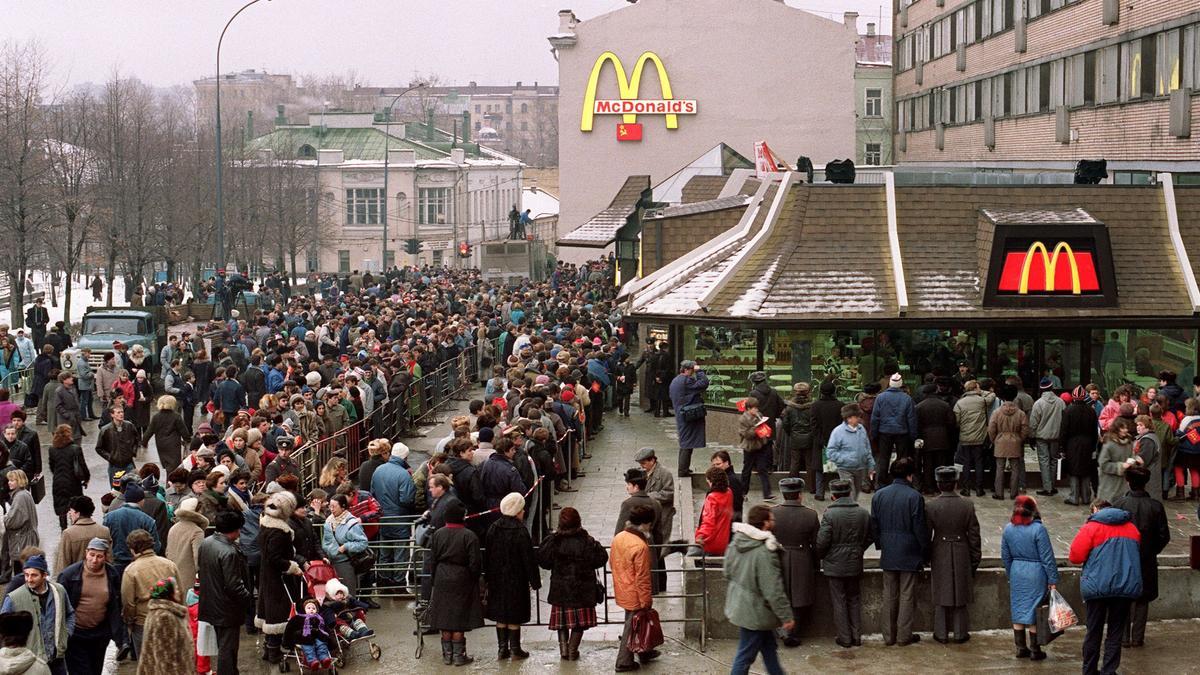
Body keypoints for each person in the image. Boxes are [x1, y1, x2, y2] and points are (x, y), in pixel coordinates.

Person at [1069, 500, 1143, 675]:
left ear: (1095, 510)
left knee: (1093, 631)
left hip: (1097, 588)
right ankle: (1109, 671)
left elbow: (1075, 556)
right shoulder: (1132, 529)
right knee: (1115, 633)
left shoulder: (1091, 527)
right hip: (1124, 588)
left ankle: (1089, 670)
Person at [725, 504, 794, 675]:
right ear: (765, 523)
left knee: (769, 649)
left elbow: (727, 571)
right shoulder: (765, 551)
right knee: (745, 656)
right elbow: (773, 589)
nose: (774, 521)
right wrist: (786, 616)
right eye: (772, 519)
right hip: (756, 612)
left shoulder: (736, 542)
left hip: (742, 606)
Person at [869, 458, 928, 647]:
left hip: (888, 550)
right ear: (910, 475)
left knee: (889, 594)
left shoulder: (879, 495)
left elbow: (874, 525)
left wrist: (881, 544)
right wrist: (924, 552)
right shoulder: (914, 497)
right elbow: (920, 529)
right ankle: (904, 635)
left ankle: (888, 636)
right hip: (909, 551)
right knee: (907, 594)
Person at [537, 507, 608, 661]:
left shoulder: (554, 540)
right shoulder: (586, 540)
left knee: (562, 622)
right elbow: (601, 558)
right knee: (579, 624)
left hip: (560, 589)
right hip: (582, 590)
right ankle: (572, 650)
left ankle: (564, 649)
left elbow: (543, 561)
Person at [1111, 465, 1169, 648]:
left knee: (1124, 598)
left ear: (1128, 482)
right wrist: (1151, 550)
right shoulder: (1155, 506)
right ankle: (1137, 637)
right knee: (1143, 600)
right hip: (1146, 559)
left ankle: (1124, 637)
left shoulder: (1119, 504)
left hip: (1123, 559)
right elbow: (1164, 536)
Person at [925, 466, 982, 643]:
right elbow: (974, 536)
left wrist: (926, 557)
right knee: (961, 593)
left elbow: (926, 534)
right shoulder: (967, 505)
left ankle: (941, 633)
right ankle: (960, 633)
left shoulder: (930, 506)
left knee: (941, 594)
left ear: (938, 483)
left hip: (939, 549)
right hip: (961, 550)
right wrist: (975, 559)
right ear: (956, 483)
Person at [425, 500, 484, 666]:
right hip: (462, 578)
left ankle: (447, 655)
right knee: (459, 619)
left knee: (445, 618)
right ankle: (459, 656)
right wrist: (474, 579)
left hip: (442, 578)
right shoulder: (469, 536)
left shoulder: (438, 534)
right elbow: (475, 564)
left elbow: (433, 560)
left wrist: (435, 578)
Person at [815, 479, 873, 648]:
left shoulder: (829, 515)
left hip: (835, 565)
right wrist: (859, 549)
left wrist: (823, 556)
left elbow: (822, 542)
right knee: (854, 599)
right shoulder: (862, 513)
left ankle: (845, 637)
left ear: (833, 496)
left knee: (839, 601)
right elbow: (871, 536)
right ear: (849, 493)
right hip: (855, 562)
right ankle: (856, 637)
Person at [483, 493, 540, 660]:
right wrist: (534, 581)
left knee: (501, 614)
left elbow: (487, 555)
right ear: (517, 511)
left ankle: (502, 649)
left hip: (497, 579)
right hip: (517, 579)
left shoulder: (494, 528)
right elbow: (528, 558)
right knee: (514, 613)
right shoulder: (521, 531)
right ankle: (515, 648)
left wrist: (487, 577)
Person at [1000, 495, 1057, 660]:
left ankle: (1020, 648)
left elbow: (1006, 556)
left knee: (1018, 609)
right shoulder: (1039, 529)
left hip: (1017, 572)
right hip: (1036, 573)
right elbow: (1047, 558)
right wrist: (1053, 580)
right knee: (1034, 612)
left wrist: (1011, 573)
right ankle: (1035, 650)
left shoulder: (1008, 529)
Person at [197, 510, 253, 675]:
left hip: (211, 603)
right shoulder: (229, 551)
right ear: (234, 530)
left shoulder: (206, 543)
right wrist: (247, 600)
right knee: (227, 650)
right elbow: (234, 585)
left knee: (224, 647)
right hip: (226, 609)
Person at [0, 554, 72, 675]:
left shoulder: (59, 591)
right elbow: (3, 627)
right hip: (30, 663)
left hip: (57, 660)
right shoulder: (13, 598)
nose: (29, 579)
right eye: (26, 575)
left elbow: (70, 614)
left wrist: (65, 635)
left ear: (45, 575)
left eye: (34, 575)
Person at [57, 538, 120, 675]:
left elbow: (115, 604)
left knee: (95, 670)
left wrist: (113, 631)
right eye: (92, 555)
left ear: (105, 557)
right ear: (86, 553)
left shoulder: (112, 574)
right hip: (76, 634)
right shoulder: (69, 575)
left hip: (99, 634)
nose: (94, 560)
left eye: (99, 556)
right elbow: (59, 606)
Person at [256, 492, 304, 663]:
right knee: (277, 615)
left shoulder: (265, 524)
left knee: (269, 613)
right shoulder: (279, 531)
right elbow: (275, 558)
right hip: (278, 579)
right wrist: (292, 567)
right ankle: (274, 651)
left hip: (267, 576)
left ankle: (268, 649)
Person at [771, 477, 819, 647]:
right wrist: (816, 564)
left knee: (781, 595)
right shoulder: (811, 515)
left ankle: (782, 630)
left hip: (779, 557)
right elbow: (816, 543)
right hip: (802, 559)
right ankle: (791, 632)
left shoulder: (773, 513)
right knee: (799, 599)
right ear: (800, 494)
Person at [120, 530, 179, 658]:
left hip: (144, 622)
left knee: (148, 663)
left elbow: (128, 603)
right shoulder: (170, 565)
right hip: (169, 619)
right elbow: (180, 592)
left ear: (133, 549)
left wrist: (129, 623)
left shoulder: (131, 571)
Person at [611, 504, 655, 672]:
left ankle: (644, 651)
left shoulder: (619, 537)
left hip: (622, 587)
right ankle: (623, 661)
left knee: (632, 623)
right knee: (631, 627)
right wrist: (646, 601)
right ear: (644, 524)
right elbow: (642, 578)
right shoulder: (640, 546)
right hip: (635, 593)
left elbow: (612, 562)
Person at [369, 441, 415, 586]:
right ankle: (399, 582)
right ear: (405, 458)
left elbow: (373, 494)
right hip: (400, 518)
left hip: (382, 518)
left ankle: (383, 580)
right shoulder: (404, 475)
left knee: (384, 552)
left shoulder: (378, 470)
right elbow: (407, 499)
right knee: (401, 553)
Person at [635, 447, 675, 592]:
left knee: (658, 552)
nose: (642, 466)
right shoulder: (643, 473)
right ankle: (654, 584)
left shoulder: (664, 474)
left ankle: (660, 585)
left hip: (662, 517)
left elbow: (669, 494)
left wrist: (650, 496)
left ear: (652, 460)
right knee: (651, 552)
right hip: (648, 519)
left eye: (644, 463)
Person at [136, 577, 193, 675]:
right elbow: (166, 659)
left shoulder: (159, 612)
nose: (179, 591)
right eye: (176, 589)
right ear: (169, 594)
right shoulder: (165, 617)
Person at [104, 484, 160, 571]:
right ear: (141, 500)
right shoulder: (147, 520)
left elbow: (104, 540)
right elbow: (156, 546)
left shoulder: (109, 517)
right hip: (139, 566)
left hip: (115, 564)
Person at [320, 494, 368, 596]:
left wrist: (346, 546)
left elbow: (363, 543)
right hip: (330, 562)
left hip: (345, 563)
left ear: (343, 507)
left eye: (334, 506)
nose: (331, 509)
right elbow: (326, 541)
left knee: (348, 594)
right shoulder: (328, 522)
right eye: (330, 506)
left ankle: (351, 612)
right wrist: (326, 554)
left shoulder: (352, 523)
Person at [825, 404, 875, 499]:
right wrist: (845, 460)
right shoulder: (838, 432)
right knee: (850, 493)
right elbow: (830, 452)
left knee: (855, 494)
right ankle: (850, 511)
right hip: (845, 468)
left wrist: (871, 464)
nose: (859, 419)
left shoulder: (862, 429)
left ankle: (851, 509)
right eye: (856, 417)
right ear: (849, 418)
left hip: (860, 468)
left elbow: (867, 448)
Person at [668, 359, 709, 477]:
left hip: (681, 414)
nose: (693, 372)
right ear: (686, 369)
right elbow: (704, 384)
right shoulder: (687, 380)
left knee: (686, 442)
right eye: (692, 370)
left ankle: (684, 468)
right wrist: (700, 371)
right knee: (687, 444)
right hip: (688, 416)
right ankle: (683, 470)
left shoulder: (676, 380)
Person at [989, 385, 1030, 500]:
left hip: (1000, 440)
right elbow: (1025, 429)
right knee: (1015, 468)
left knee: (999, 468)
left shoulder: (997, 412)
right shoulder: (1020, 413)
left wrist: (995, 439)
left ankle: (999, 493)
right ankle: (1013, 493)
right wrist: (1019, 438)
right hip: (1015, 440)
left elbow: (991, 428)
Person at [953, 380, 994, 496]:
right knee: (978, 462)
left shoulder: (959, 403)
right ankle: (979, 488)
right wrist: (981, 392)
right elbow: (992, 395)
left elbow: (956, 421)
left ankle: (966, 488)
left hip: (965, 437)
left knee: (966, 462)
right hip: (980, 437)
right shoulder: (982, 401)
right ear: (975, 388)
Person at [1062, 385, 1100, 505]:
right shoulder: (1091, 411)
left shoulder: (1068, 410)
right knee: (1086, 470)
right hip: (1088, 444)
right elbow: (1095, 431)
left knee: (1073, 470)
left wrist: (1062, 447)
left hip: (1072, 444)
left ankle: (1074, 496)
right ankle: (1086, 497)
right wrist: (1094, 445)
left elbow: (1064, 430)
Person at [54, 497, 110, 575]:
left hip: (76, 581)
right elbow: (110, 561)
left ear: (78, 513)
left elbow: (63, 564)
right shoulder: (105, 531)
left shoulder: (68, 534)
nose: (69, 513)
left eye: (71, 510)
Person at [1029, 377, 1065, 496]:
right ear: (1052, 388)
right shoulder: (1060, 402)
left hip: (1042, 437)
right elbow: (1064, 420)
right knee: (1053, 460)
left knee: (1044, 461)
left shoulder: (1038, 403)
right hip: (1056, 436)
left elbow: (1033, 422)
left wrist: (1031, 436)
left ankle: (1047, 487)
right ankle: (1052, 486)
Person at [47, 425, 87, 531]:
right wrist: (86, 478)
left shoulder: (52, 449)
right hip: (73, 482)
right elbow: (82, 466)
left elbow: (52, 466)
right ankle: (76, 527)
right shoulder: (75, 449)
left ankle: (63, 529)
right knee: (76, 505)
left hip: (58, 482)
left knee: (61, 507)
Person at [165, 498, 207, 590]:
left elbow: (168, 552)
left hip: (172, 574)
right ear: (197, 511)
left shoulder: (173, 528)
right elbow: (198, 559)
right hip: (189, 578)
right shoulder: (197, 531)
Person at [2, 471, 39, 577]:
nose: (9, 483)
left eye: (12, 480)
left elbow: (12, 521)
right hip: (27, 539)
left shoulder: (19, 497)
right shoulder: (25, 494)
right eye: (9, 480)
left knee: (21, 575)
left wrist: (5, 518)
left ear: (19, 481)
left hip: (22, 542)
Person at [810, 381, 843, 500]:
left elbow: (813, 425)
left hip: (821, 441)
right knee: (836, 468)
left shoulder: (815, 405)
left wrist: (820, 440)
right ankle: (836, 493)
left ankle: (820, 493)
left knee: (820, 468)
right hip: (837, 441)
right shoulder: (840, 405)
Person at [738, 396, 775, 500]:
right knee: (747, 470)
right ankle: (743, 492)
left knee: (763, 469)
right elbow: (745, 434)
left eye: (757, 408)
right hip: (749, 447)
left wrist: (764, 428)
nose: (757, 410)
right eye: (754, 408)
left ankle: (767, 494)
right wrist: (756, 428)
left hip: (760, 445)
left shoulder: (759, 415)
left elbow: (762, 427)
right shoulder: (743, 419)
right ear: (749, 408)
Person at [691, 467, 734, 556]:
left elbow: (708, 520)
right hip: (723, 541)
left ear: (712, 482)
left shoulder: (712, 498)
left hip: (710, 542)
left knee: (689, 558)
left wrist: (700, 536)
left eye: (708, 482)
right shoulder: (729, 493)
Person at [143, 396, 189, 475]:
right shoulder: (176, 416)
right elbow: (183, 431)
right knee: (173, 469)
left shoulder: (156, 417)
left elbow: (149, 431)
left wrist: (144, 442)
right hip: (173, 444)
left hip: (161, 444)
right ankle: (170, 485)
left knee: (167, 465)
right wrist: (187, 440)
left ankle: (169, 484)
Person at [94, 405, 139, 485]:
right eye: (118, 412)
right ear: (112, 415)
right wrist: (110, 457)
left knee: (132, 487)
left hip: (129, 464)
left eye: (122, 412)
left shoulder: (129, 426)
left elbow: (136, 439)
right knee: (115, 489)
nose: (121, 414)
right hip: (114, 466)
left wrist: (133, 452)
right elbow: (99, 448)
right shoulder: (106, 430)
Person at [1098, 419, 1135, 503]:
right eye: (1122, 428)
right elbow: (1103, 464)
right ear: (1116, 429)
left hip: (1124, 483)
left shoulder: (1129, 442)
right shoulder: (1109, 444)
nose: (1125, 430)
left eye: (1126, 428)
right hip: (1110, 484)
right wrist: (1121, 466)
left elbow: (1131, 456)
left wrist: (1134, 460)